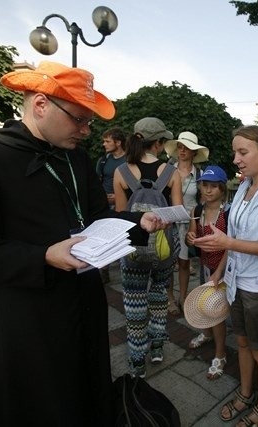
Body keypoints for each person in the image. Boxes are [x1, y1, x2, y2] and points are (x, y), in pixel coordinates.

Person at [0, 61, 166, 426]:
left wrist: (136, 222)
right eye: (78, 119)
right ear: (41, 105)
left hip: (84, 304)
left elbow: (97, 215)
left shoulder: (75, 156)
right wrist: (42, 257)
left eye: (89, 121)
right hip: (26, 316)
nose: (86, 130)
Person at [194, 126, 258, 427]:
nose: (236, 159)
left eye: (243, 152)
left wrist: (227, 243)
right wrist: (218, 275)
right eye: (235, 152)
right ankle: (246, 393)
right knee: (244, 344)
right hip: (236, 284)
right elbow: (231, 239)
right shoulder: (244, 188)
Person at [113, 117, 182, 377]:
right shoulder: (171, 172)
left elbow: (120, 216)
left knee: (134, 304)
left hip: (132, 249)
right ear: (160, 143)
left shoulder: (121, 172)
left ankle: (137, 358)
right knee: (159, 297)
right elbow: (177, 214)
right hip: (164, 249)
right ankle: (156, 347)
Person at [185, 165, 230, 379]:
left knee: (217, 311)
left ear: (222, 189)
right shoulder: (197, 210)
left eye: (214, 186)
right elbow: (191, 234)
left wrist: (219, 272)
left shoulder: (228, 212)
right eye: (205, 185)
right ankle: (206, 333)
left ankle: (221, 353)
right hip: (205, 265)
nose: (208, 190)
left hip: (223, 268)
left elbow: (231, 245)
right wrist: (190, 238)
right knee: (205, 304)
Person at [164, 131, 209, 315]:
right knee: (166, 263)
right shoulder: (166, 171)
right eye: (180, 147)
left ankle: (182, 296)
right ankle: (169, 298)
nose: (182, 151)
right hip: (169, 223)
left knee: (184, 263)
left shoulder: (199, 174)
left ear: (193, 153)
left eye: (186, 148)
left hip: (188, 224)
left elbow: (203, 201)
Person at [96, 127, 127, 207]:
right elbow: (96, 182)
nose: (104, 144)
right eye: (104, 141)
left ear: (118, 143)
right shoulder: (103, 160)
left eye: (107, 141)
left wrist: (118, 196)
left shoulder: (129, 161)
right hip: (104, 203)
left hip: (124, 203)